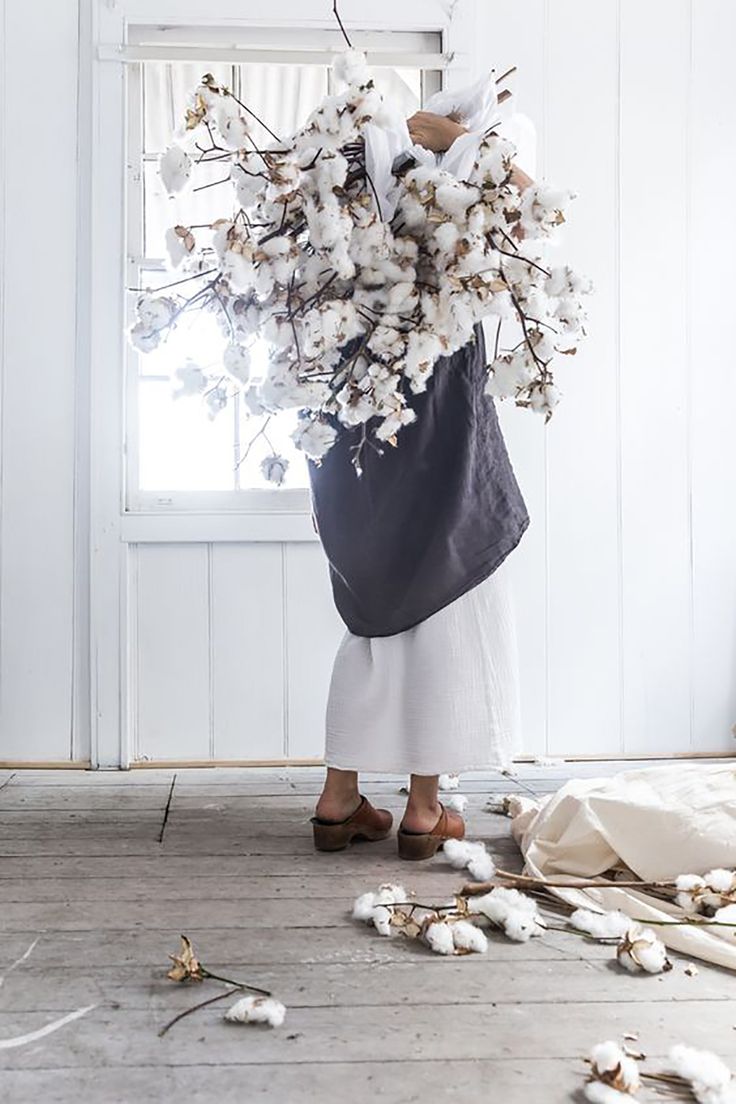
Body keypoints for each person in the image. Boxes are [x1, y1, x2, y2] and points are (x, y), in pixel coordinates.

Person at [308, 109, 533, 860]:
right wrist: (459, 142)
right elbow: (532, 214)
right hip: (430, 410)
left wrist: (438, 139)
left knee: (375, 614)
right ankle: (425, 810)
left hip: (355, 409)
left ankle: (338, 799)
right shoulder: (456, 208)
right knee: (444, 603)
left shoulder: (340, 200)